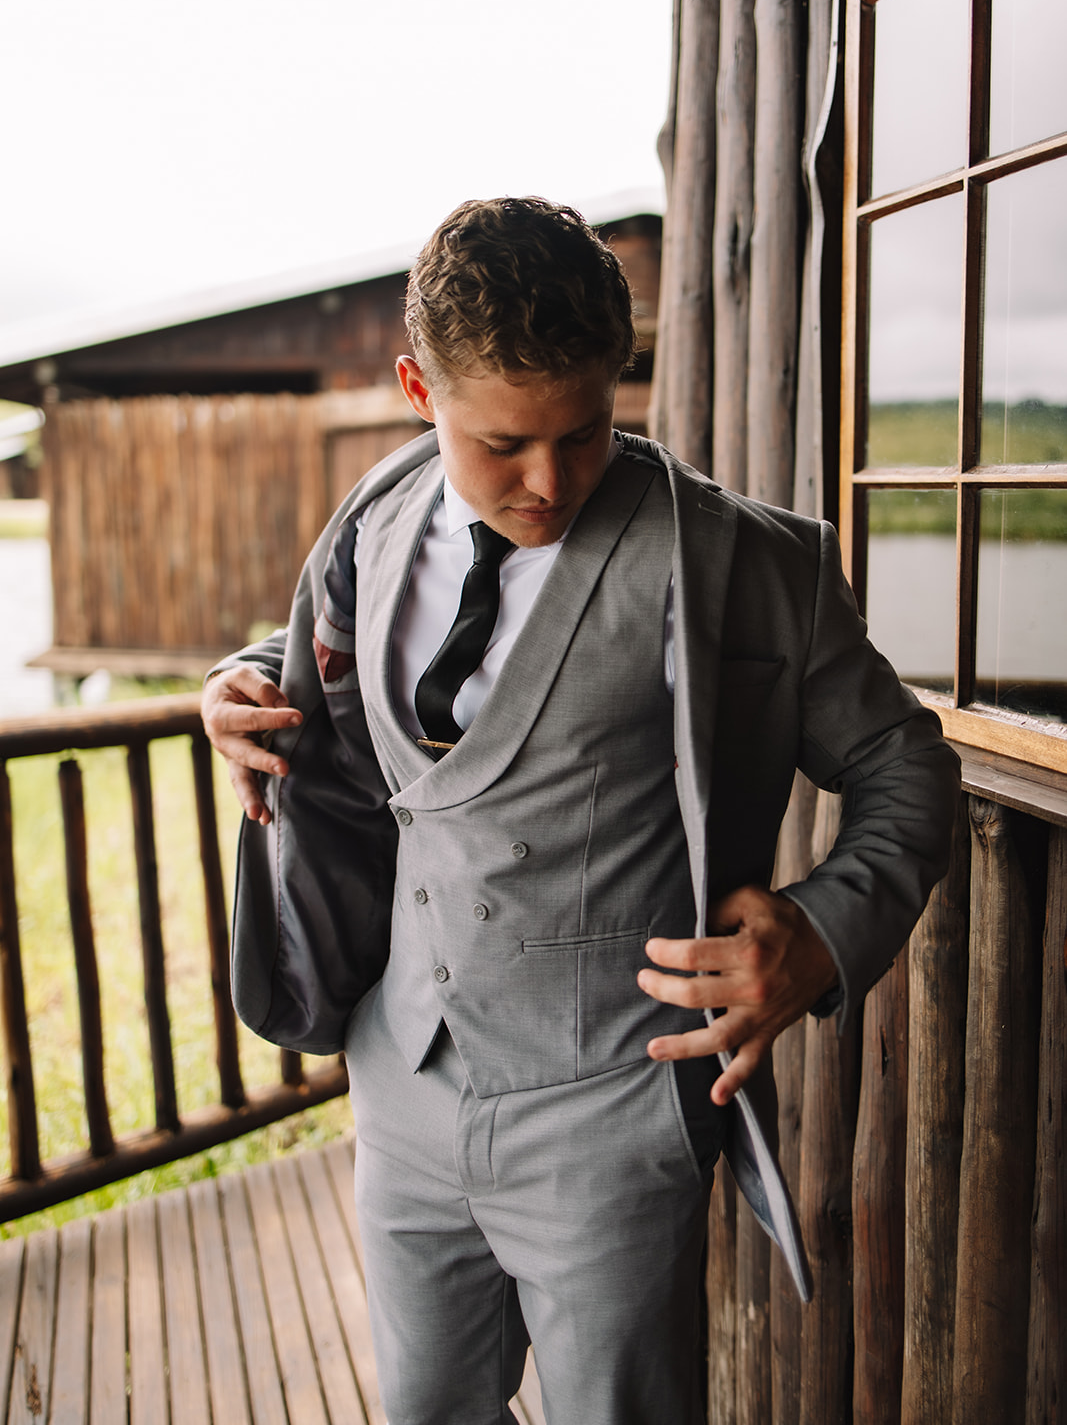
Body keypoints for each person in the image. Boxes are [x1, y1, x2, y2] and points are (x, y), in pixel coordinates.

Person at [203, 197, 959, 1425]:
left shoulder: (745, 566)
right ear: (415, 386)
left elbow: (904, 767)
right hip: (401, 1078)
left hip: (616, 1106)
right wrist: (232, 687)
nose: (549, 481)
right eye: (503, 444)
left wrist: (821, 932)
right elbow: (335, 676)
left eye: (586, 429)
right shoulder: (372, 524)